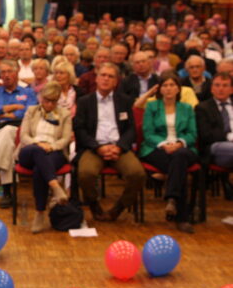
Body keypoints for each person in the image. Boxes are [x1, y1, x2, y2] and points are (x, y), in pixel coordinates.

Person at [74, 63, 145, 222]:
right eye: (103, 75)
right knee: (85, 174)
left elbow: (131, 129)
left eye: (110, 76)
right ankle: (94, 205)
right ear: (97, 78)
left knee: (137, 174)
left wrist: (119, 147)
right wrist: (98, 147)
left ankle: (118, 208)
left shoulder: (125, 101)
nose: (106, 79)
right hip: (93, 148)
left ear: (116, 82)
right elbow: (80, 130)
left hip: (118, 148)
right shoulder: (85, 101)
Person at [139, 72, 198, 233]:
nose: (169, 88)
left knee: (179, 157)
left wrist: (179, 144)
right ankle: (182, 217)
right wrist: (164, 144)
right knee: (179, 167)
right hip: (156, 148)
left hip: (183, 148)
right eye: (165, 85)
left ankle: (172, 197)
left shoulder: (186, 108)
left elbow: (192, 133)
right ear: (160, 89)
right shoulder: (152, 106)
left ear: (178, 89)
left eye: (172, 85)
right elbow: (148, 132)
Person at [0, 60, 38, 208]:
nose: (6, 75)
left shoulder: (28, 92)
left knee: (7, 136)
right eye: (3, 72)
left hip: (22, 133)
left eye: (9, 71)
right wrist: (13, 107)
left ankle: (2, 184)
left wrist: (7, 114)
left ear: (16, 73)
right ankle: (4, 189)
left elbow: (30, 112)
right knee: (6, 135)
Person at [16, 82, 72, 233]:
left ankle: (39, 213)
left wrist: (52, 146)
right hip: (30, 149)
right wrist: (38, 144)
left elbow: (65, 139)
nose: (49, 105)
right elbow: (24, 136)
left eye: (53, 101)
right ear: (41, 98)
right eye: (46, 100)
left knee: (39, 169)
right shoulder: (32, 111)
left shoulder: (64, 114)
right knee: (37, 151)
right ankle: (55, 187)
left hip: (54, 151)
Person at [195, 72, 233, 172]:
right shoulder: (203, 108)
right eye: (217, 85)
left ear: (231, 89)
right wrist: (229, 136)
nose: (220, 89)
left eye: (225, 85)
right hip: (215, 148)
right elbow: (206, 135)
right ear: (212, 89)